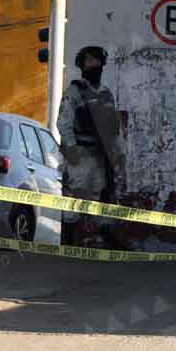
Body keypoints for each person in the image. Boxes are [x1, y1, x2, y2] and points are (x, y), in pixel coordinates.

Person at [57, 45, 126, 246]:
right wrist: (70, 148)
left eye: (97, 60)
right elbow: (64, 121)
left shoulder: (106, 93)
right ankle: (67, 239)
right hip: (81, 152)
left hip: (102, 153)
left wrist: (119, 152)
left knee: (105, 194)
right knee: (77, 194)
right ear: (82, 64)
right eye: (89, 61)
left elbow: (114, 126)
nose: (94, 64)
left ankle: (106, 235)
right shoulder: (75, 90)